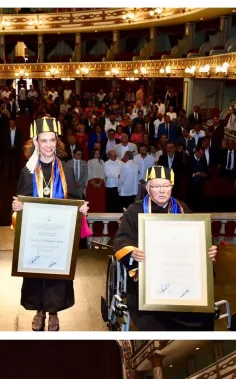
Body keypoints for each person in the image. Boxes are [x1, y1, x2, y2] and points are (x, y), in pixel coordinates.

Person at [111, 166, 218, 331]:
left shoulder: (183, 209)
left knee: (201, 318)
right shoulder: (134, 211)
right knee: (152, 321)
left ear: (171, 187)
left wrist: (207, 250)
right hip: (148, 278)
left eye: (166, 185)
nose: (162, 190)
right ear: (148, 188)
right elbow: (121, 240)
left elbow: (200, 238)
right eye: (156, 186)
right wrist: (133, 253)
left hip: (182, 276)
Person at [12, 117, 89, 331]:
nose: (48, 145)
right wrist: (17, 208)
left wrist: (80, 208)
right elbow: (21, 200)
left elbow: (75, 198)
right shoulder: (27, 170)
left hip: (59, 235)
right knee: (37, 272)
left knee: (56, 274)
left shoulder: (66, 169)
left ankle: (53, 312)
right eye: (43, 140)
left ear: (57, 142)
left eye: (52, 140)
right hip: (35, 235)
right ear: (36, 142)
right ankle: (39, 310)